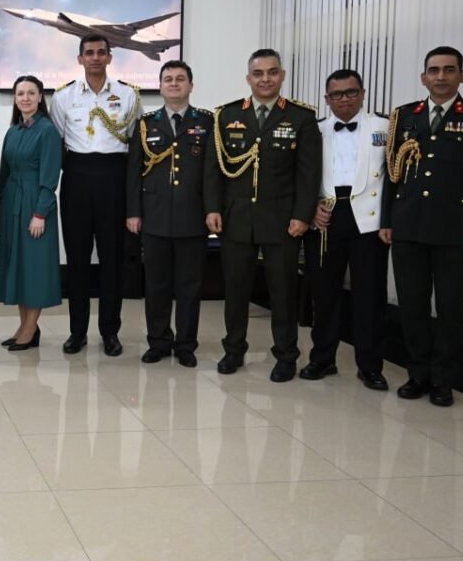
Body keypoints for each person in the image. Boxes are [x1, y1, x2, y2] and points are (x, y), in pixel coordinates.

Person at [380, 46, 463, 407]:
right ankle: (418, 373)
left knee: (449, 306)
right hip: (408, 227)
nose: (441, 76)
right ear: (423, 77)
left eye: (449, 70)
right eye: (434, 70)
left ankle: (443, 380)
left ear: (462, 75)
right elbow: (392, 174)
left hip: (454, 230)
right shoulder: (404, 117)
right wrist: (387, 219)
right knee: (412, 304)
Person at [204, 48, 322, 382]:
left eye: (272, 72)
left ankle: (285, 355)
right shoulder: (226, 115)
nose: (265, 79)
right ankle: (233, 350)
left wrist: (303, 215)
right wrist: (212, 208)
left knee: (282, 292)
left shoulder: (300, 118)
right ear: (248, 78)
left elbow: (308, 173)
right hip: (236, 218)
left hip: (282, 221)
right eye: (258, 73)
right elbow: (213, 170)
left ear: (282, 76)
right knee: (235, 290)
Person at [48, 34, 142, 357]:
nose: (95, 58)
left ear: (110, 57)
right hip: (77, 179)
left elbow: (135, 145)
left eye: (101, 52)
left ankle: (109, 331)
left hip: (114, 179)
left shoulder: (128, 95)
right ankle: (77, 332)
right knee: (77, 260)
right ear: (80, 59)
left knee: (112, 260)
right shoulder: (63, 97)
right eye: (89, 53)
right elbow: (58, 144)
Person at [301, 69, 390, 390]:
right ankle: (322, 358)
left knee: (370, 295)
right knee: (324, 293)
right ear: (327, 99)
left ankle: (370, 366)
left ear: (362, 93)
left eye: (351, 92)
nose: (344, 99)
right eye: (336, 94)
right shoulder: (315, 129)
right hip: (325, 216)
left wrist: (389, 220)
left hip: (368, 219)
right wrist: (311, 208)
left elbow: (395, 178)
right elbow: (302, 174)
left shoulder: (385, 127)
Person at [125, 60, 212, 368]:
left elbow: (212, 173)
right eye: (168, 79)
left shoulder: (207, 122)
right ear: (160, 87)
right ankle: (159, 341)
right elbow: (134, 172)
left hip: (193, 217)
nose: (174, 83)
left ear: (191, 85)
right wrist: (133, 212)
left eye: (180, 79)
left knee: (190, 286)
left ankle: (186, 344)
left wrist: (213, 210)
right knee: (156, 285)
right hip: (155, 216)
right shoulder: (145, 124)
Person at [0, 75, 62, 351]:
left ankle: (30, 328)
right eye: (20, 93)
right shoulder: (13, 131)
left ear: (40, 97)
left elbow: (50, 177)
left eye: (30, 93)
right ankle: (25, 327)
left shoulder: (47, 130)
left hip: (35, 205)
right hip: (12, 204)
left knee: (34, 268)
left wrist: (40, 214)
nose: (25, 98)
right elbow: (3, 174)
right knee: (18, 267)